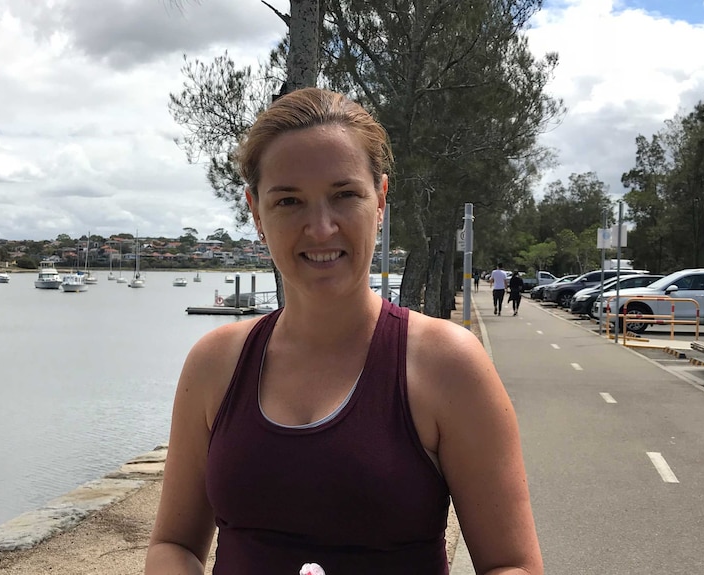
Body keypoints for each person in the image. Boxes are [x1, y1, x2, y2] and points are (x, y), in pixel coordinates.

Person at [145, 88, 542, 575]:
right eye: (289, 200)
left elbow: (511, 565)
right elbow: (173, 545)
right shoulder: (215, 363)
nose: (320, 227)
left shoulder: (447, 363)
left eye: (344, 195)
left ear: (380, 199)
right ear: (256, 214)